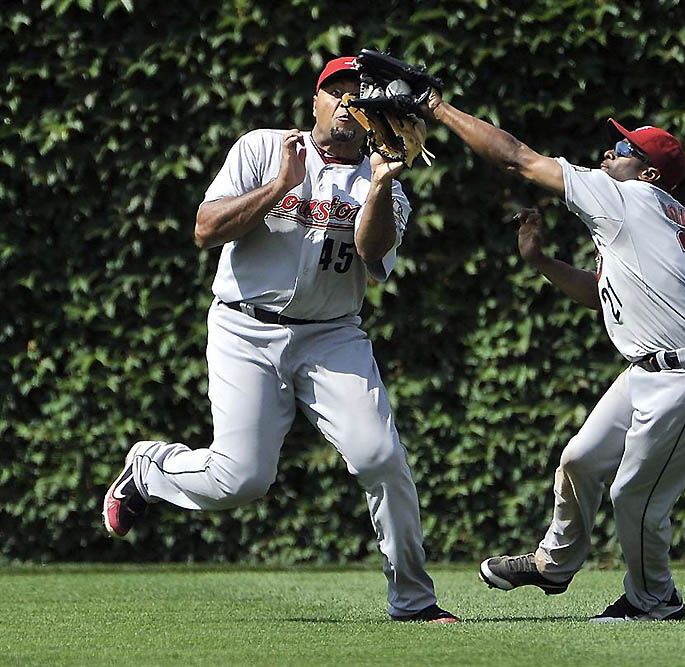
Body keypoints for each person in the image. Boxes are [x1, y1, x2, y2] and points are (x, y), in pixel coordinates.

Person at [102, 56, 457, 624]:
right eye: (333, 91)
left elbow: (371, 258)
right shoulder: (264, 148)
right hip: (245, 327)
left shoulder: (383, 177)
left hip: (332, 337)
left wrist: (385, 181)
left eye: (357, 95)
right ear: (314, 101)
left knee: (381, 456)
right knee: (240, 479)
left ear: (371, 114)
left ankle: (413, 600)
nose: (345, 102)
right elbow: (205, 230)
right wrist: (277, 189)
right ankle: (149, 470)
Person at [424, 92, 685, 622]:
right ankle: (553, 565)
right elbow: (599, 290)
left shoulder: (631, 200)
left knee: (636, 497)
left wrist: (434, 106)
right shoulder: (653, 214)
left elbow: (518, 159)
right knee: (581, 459)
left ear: (646, 175)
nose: (607, 154)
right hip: (662, 368)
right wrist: (540, 261)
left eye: (623, 148)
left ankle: (655, 601)